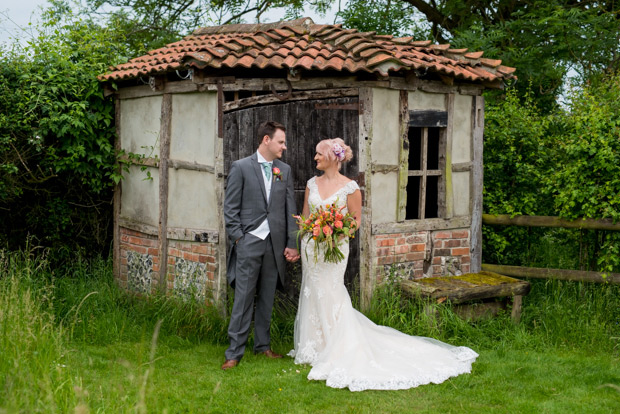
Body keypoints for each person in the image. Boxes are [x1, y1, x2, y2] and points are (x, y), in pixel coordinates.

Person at [288, 138, 478, 391]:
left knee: (332, 292)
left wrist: (337, 233)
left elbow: (355, 220)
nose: (315, 158)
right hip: (313, 248)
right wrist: (309, 234)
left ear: (333, 157)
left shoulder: (351, 188)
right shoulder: (312, 184)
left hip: (336, 248)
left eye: (318, 154)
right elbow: (307, 217)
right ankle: (314, 346)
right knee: (312, 291)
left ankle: (339, 345)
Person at [222, 121, 300, 371]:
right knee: (243, 299)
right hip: (249, 242)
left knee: (267, 296)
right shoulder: (241, 167)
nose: (284, 147)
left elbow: (290, 210)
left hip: (275, 245)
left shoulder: (284, 170)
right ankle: (234, 352)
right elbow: (230, 208)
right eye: (281, 142)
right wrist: (239, 239)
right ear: (266, 140)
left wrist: (291, 242)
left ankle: (263, 346)